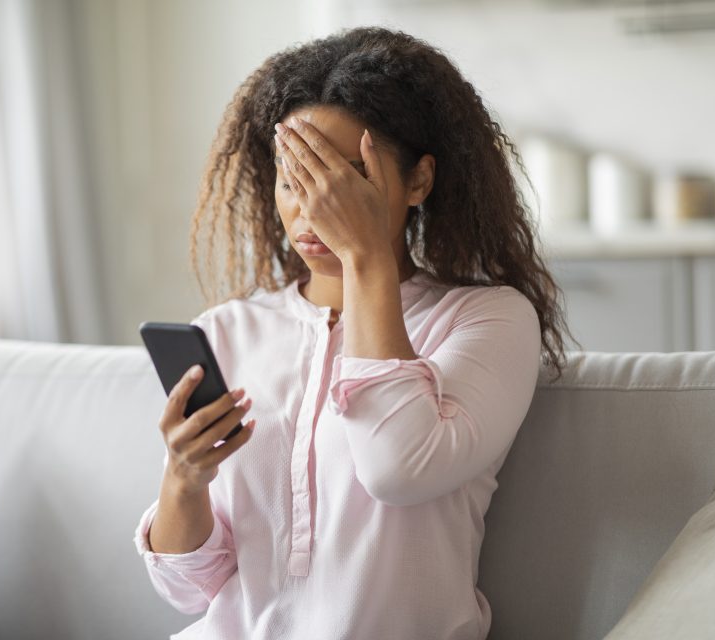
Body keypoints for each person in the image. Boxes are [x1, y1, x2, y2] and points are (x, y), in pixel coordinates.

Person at [133, 25, 578, 640]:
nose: (313, 208)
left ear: (419, 181)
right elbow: (189, 590)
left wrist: (365, 256)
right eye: (295, 179)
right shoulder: (228, 331)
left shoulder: (487, 319)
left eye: (344, 180)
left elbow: (398, 468)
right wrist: (184, 476)